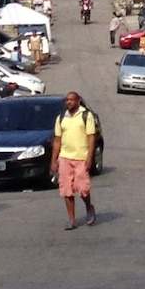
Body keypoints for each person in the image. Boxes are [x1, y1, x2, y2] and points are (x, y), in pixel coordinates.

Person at [50, 91, 97, 230]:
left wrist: (89, 158)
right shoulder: (61, 118)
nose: (68, 102)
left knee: (83, 188)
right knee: (67, 190)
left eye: (71, 100)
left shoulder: (85, 115)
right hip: (65, 157)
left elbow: (91, 137)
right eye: (67, 100)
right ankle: (72, 219)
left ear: (78, 101)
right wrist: (53, 160)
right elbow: (57, 140)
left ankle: (89, 208)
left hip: (81, 157)